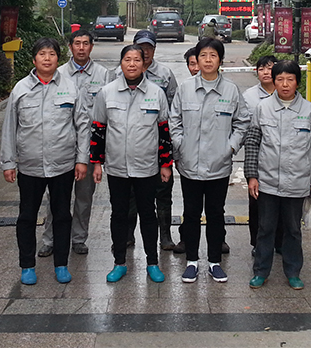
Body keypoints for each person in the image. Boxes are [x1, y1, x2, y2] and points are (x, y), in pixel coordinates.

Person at [0, 37, 89, 286]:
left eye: (51, 54)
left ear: (58, 59)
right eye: (42, 54)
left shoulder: (71, 87)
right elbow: (9, 128)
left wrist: (82, 159)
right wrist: (8, 162)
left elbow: (83, 126)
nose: (47, 58)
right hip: (30, 166)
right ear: (34, 59)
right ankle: (27, 266)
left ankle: (61, 264)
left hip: (63, 165)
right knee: (27, 217)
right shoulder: (21, 89)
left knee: (62, 216)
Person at [170, 37, 249, 283]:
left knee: (216, 214)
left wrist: (230, 147)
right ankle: (192, 261)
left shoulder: (231, 90)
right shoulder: (185, 88)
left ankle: (214, 262)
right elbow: (174, 121)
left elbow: (242, 122)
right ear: (197, 59)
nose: (207, 60)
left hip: (219, 166)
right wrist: (180, 145)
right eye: (203, 55)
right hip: (190, 165)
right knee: (191, 213)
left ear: (220, 61)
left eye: (213, 56)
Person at [91, 44, 173, 283]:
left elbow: (164, 131)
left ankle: (152, 263)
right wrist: (97, 163)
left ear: (143, 64)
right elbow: (98, 130)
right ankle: (119, 262)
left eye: (137, 59)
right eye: (127, 59)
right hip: (117, 167)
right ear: (121, 63)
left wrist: (165, 164)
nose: (132, 64)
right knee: (119, 215)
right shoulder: (106, 93)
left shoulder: (156, 93)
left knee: (148, 214)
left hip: (147, 167)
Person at [245, 60, 311, 290]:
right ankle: (261, 271)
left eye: (290, 79)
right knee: (265, 229)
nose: (284, 84)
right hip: (267, 182)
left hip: (297, 183)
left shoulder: (310, 111)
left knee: (293, 230)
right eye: (280, 79)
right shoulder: (262, 108)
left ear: (297, 82)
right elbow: (252, 143)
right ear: (274, 81)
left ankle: (293, 272)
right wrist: (252, 176)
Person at [38, 29, 111, 258]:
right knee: (56, 197)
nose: (81, 48)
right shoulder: (58, 73)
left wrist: (101, 152)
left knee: (84, 196)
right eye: (77, 43)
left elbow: (107, 113)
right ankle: (50, 239)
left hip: (89, 147)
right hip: (62, 146)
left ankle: (79, 238)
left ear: (91, 47)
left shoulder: (103, 75)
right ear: (70, 47)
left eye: (85, 43)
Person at [127, 30, 178, 250]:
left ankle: (165, 236)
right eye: (141, 47)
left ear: (154, 50)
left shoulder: (165, 74)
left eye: (149, 48)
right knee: (130, 194)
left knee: (163, 191)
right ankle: (127, 235)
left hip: (159, 144)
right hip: (131, 144)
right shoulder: (121, 72)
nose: (145, 52)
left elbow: (175, 108)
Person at [241, 54, 283, 254]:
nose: (266, 72)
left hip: (283, 158)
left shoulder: (286, 93)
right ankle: (257, 243)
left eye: (270, 67)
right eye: (261, 69)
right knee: (257, 203)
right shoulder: (248, 97)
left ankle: (280, 242)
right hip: (257, 157)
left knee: (283, 203)